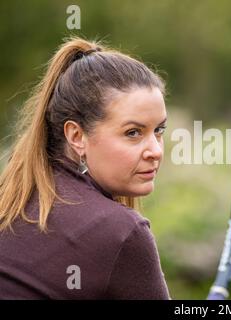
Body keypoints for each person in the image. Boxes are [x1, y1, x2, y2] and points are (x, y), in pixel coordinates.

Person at [0, 37, 170, 299]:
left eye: (159, 130)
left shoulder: (13, 197)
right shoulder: (122, 232)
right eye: (133, 132)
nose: (156, 151)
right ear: (77, 136)